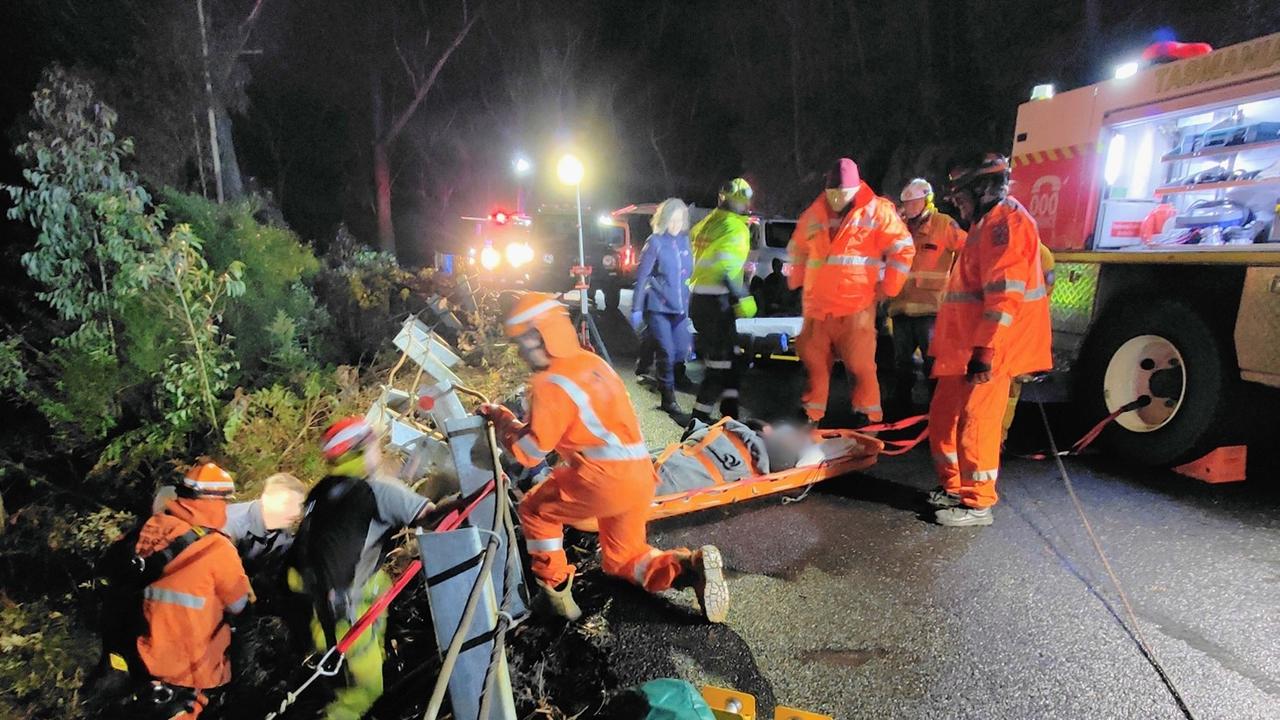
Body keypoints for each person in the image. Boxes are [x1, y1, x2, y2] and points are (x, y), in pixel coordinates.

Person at [482, 292, 729, 623]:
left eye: (523, 341)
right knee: (624, 558)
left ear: (542, 335)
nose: (521, 351)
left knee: (535, 510)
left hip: (601, 479)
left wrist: (502, 420)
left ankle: (555, 595)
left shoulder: (549, 383)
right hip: (639, 478)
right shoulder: (593, 363)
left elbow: (529, 453)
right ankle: (689, 567)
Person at [927, 153, 1052, 527]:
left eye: (961, 194)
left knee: (976, 422)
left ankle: (978, 503)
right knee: (943, 418)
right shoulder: (986, 224)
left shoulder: (1006, 225)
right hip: (966, 347)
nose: (957, 202)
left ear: (982, 189)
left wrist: (986, 349)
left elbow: (1004, 294)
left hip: (990, 348)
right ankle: (954, 487)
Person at [289, 417, 443, 720]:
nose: (379, 450)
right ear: (361, 449)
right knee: (361, 698)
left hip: (317, 612)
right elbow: (432, 517)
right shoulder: (377, 491)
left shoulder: (320, 494)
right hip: (351, 615)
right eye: (374, 444)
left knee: (339, 686)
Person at [788, 158, 915, 428]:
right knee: (815, 365)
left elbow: (903, 248)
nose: (836, 199)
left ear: (855, 189)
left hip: (855, 306)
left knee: (860, 366)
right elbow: (799, 247)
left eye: (842, 193)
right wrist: (797, 281)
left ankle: (867, 418)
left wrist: (889, 287)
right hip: (818, 308)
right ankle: (810, 416)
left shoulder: (876, 210)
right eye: (832, 193)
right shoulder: (815, 212)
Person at [131, 462, 251, 719]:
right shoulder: (217, 548)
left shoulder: (152, 527)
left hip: (145, 658)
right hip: (192, 669)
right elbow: (240, 605)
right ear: (216, 503)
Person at [888, 178, 967, 414]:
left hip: (931, 309)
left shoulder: (943, 225)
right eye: (907, 203)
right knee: (902, 365)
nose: (909, 207)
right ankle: (901, 408)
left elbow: (967, 249)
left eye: (914, 202)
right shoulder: (899, 226)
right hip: (900, 307)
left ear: (927, 201)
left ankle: (935, 411)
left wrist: (957, 283)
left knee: (933, 365)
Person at [688, 178, 757, 423]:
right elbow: (725, 268)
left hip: (699, 300)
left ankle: (730, 413)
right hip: (718, 302)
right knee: (720, 365)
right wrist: (743, 297)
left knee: (732, 360)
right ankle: (699, 419)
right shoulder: (735, 228)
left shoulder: (705, 223)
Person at [631, 198, 694, 416]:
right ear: (664, 219)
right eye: (672, 219)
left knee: (680, 351)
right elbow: (642, 278)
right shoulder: (655, 242)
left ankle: (647, 350)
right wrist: (636, 309)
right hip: (658, 307)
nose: (676, 224)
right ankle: (668, 398)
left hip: (679, 310)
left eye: (680, 219)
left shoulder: (685, 243)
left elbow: (687, 276)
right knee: (666, 352)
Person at [1001, 241, 1057, 444]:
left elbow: (1041, 295)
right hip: (1005, 331)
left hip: (1017, 332)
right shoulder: (998, 248)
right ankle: (995, 438)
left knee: (1009, 388)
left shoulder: (1039, 254)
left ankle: (998, 437)